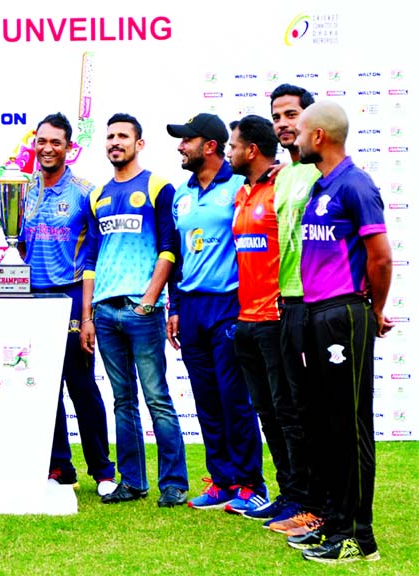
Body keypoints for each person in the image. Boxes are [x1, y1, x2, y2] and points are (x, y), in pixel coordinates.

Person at [290, 101, 390, 563]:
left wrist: (375, 309)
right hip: (316, 314)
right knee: (326, 425)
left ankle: (358, 536)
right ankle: (333, 521)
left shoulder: (355, 184)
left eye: (300, 129)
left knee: (349, 427)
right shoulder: (320, 186)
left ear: (319, 137)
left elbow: (381, 257)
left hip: (343, 315)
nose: (292, 135)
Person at [80, 113, 188, 507]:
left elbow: (169, 249)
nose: (115, 142)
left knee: (157, 396)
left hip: (143, 310)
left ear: (139, 144)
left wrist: (151, 298)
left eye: (123, 136)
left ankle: (173, 482)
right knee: (122, 400)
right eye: (110, 137)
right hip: (105, 312)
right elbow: (90, 258)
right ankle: (133, 481)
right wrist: (88, 315)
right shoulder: (98, 195)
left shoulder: (159, 186)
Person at [165, 113, 266, 512]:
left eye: (185, 140)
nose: (179, 147)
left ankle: (250, 483)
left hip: (229, 304)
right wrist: (174, 306)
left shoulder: (240, 185)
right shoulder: (181, 193)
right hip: (191, 306)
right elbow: (177, 254)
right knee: (206, 398)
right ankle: (221, 480)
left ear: (209, 145)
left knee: (233, 398)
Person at [19, 113, 116, 496]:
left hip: (71, 294)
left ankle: (103, 469)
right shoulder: (22, 190)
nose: (47, 148)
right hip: (31, 294)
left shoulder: (85, 192)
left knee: (80, 382)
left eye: (55, 142)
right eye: (41, 141)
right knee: (44, 386)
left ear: (68, 147)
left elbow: (93, 254)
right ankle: (59, 464)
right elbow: (18, 244)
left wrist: (88, 312)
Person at [227, 115, 308, 520]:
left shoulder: (283, 187)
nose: (228, 152)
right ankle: (286, 492)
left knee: (288, 412)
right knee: (267, 414)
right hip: (246, 320)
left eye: (232, 145)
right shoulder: (243, 192)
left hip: (276, 318)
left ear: (251, 150)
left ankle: (303, 496)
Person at [263, 84, 325, 536]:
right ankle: (302, 500)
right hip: (286, 302)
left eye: (291, 114)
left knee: (315, 411)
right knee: (292, 409)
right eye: (277, 117)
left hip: (319, 302)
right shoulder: (282, 176)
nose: (283, 123)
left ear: (310, 119)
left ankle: (321, 508)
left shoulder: (327, 172)